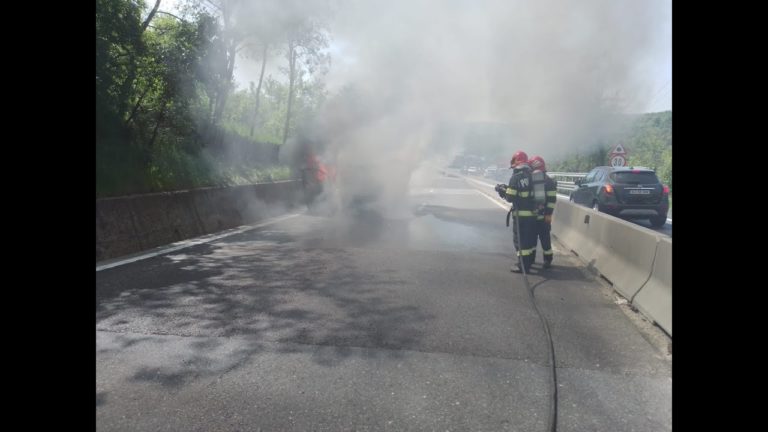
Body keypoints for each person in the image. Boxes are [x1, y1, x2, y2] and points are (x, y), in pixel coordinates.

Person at [495, 151, 537, 273]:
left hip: (521, 215)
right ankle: (528, 263)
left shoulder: (516, 177)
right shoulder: (533, 175)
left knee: (520, 241)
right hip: (533, 215)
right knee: (528, 240)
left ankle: (522, 266)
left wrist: (501, 190)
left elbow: (510, 197)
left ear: (516, 163)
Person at [529, 156, 557, 269]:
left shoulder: (531, 179)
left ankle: (531, 259)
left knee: (532, 238)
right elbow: (552, 200)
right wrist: (548, 214)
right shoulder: (549, 181)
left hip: (534, 215)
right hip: (545, 215)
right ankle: (548, 260)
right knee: (545, 238)